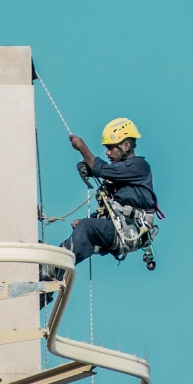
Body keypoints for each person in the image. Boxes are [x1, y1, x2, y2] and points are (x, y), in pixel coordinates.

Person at [40, 118, 157, 306]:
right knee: (83, 236)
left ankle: (53, 268)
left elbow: (103, 169)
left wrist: (82, 148)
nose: (108, 152)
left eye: (111, 147)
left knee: (86, 230)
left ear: (126, 146)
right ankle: (47, 280)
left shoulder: (139, 167)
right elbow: (112, 202)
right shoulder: (122, 176)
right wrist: (92, 220)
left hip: (130, 230)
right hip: (121, 227)